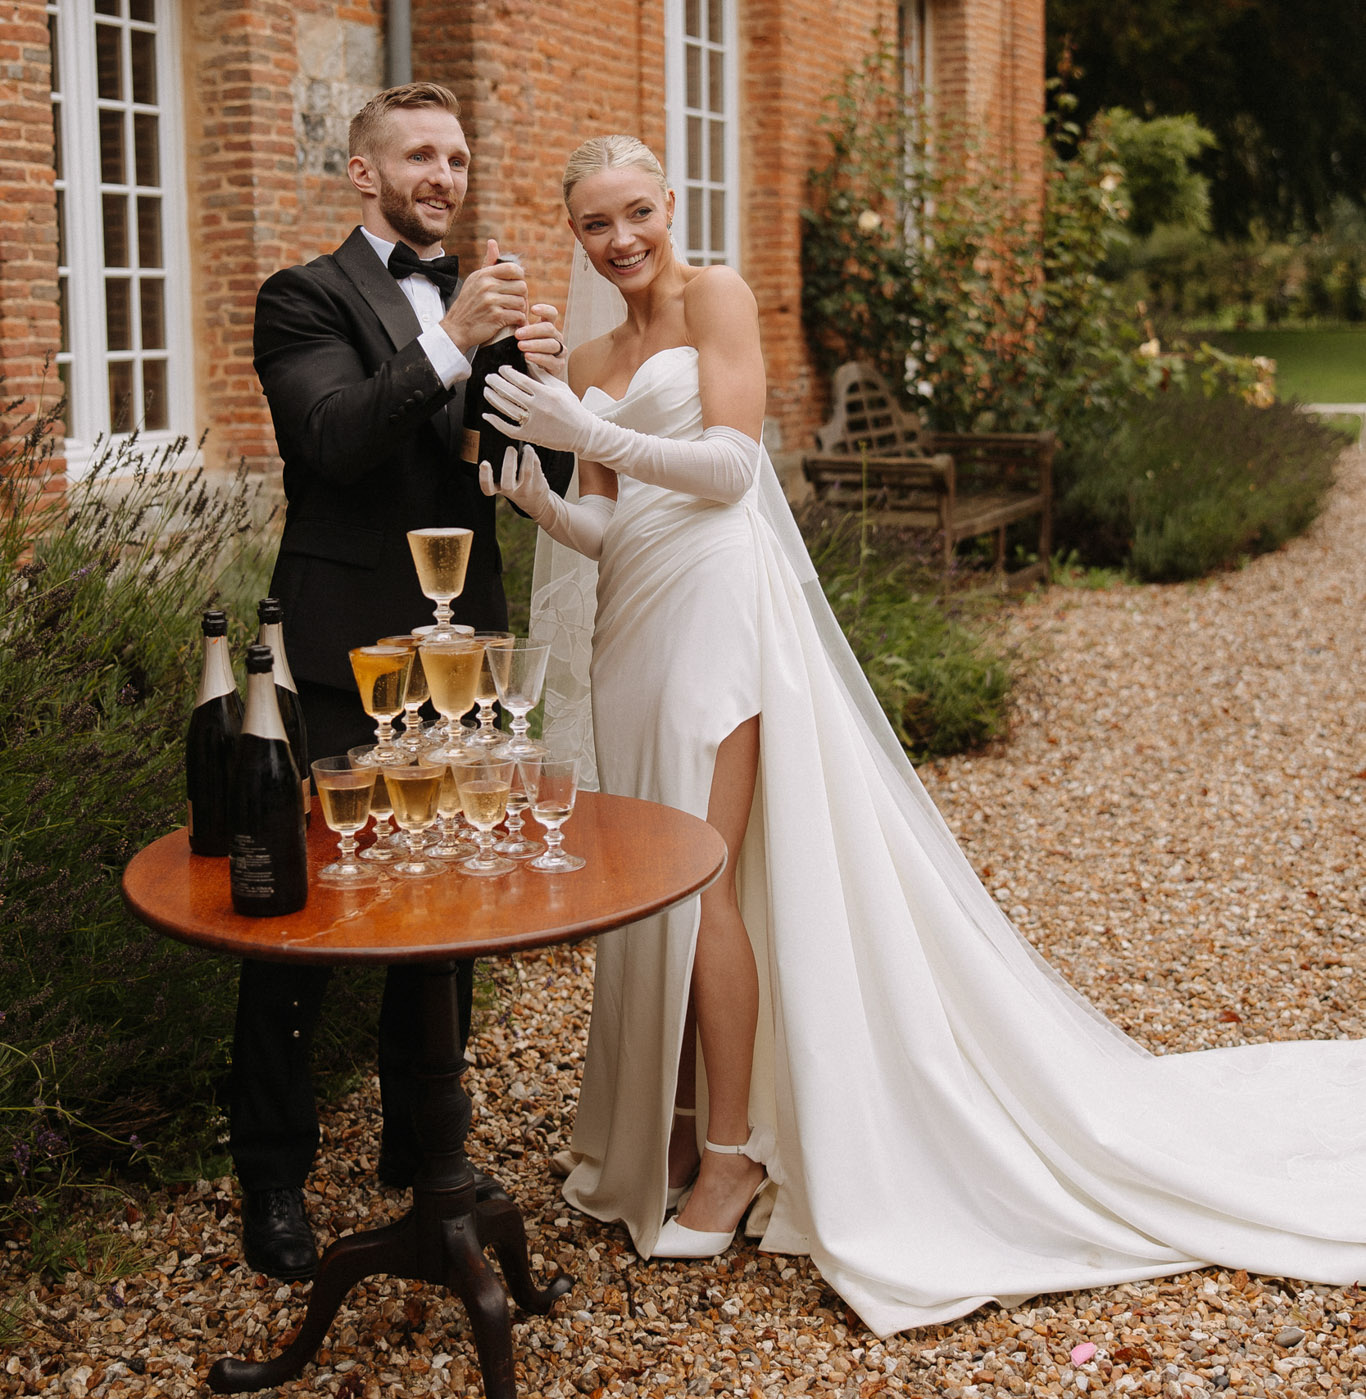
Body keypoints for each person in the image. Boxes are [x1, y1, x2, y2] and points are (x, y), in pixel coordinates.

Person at [479, 132, 1366, 1337]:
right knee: (652, 885)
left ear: (670, 203)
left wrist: (588, 437)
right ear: (572, 230)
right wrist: (539, 493)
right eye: (595, 222)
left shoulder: (716, 296)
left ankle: (732, 1154)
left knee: (703, 883)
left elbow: (732, 471)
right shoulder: (583, 353)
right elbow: (608, 528)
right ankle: (672, 1124)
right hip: (632, 632)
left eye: (636, 210)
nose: (621, 237)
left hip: (719, 619)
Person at [233, 80, 570, 1280]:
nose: (445, 173)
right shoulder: (303, 298)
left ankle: (420, 1145)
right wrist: (455, 338)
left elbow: (516, 464)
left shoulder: (472, 300)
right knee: (302, 916)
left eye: (460, 155)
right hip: (338, 649)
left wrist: (541, 386)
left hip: (458, 643)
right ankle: (271, 1174)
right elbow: (333, 437)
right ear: (365, 173)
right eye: (420, 154)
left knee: (448, 896)